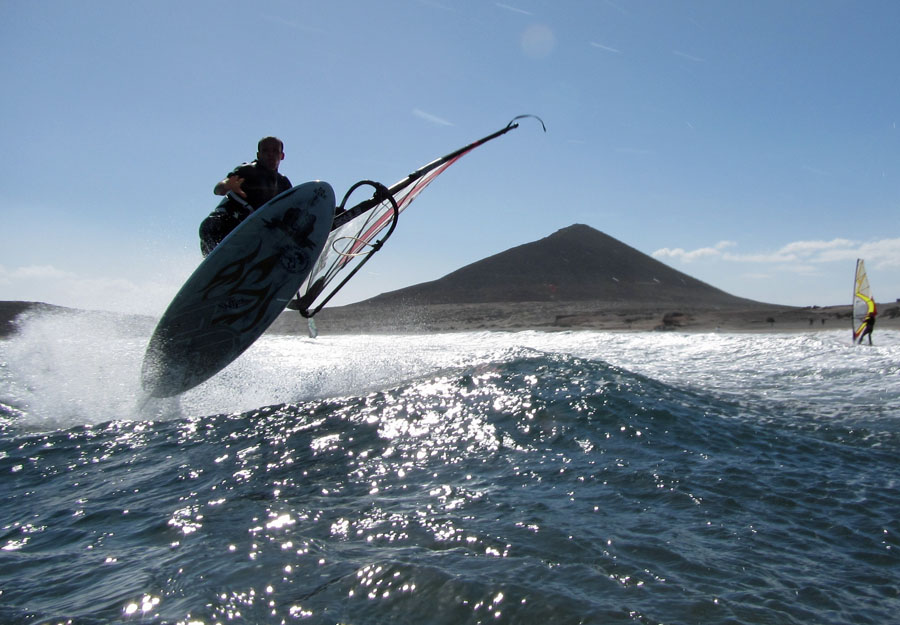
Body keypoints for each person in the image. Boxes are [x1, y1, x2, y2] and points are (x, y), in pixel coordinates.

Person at [199, 136, 292, 256]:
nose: (270, 154)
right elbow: (218, 189)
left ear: (282, 156)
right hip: (219, 226)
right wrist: (227, 185)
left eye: (275, 151)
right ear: (258, 155)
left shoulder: (283, 184)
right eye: (265, 151)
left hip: (249, 236)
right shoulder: (248, 170)